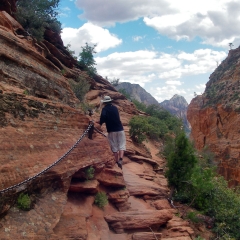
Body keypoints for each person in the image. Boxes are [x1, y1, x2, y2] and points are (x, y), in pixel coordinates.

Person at [97, 95, 126, 169]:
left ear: (105, 103)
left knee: (114, 147)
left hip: (112, 130)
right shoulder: (115, 108)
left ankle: (116, 162)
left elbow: (103, 117)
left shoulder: (105, 109)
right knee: (122, 145)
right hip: (120, 129)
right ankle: (121, 159)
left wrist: (99, 123)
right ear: (110, 101)